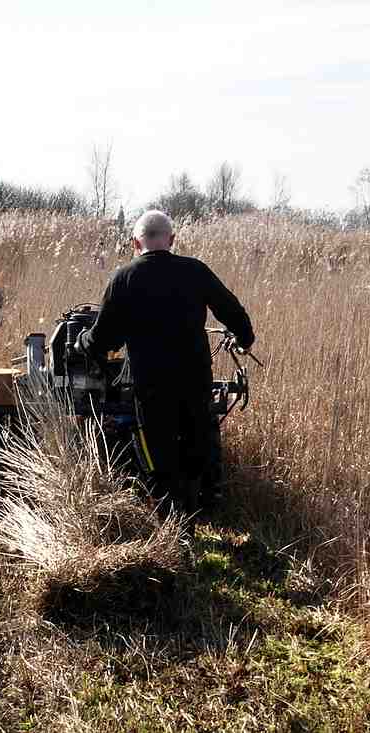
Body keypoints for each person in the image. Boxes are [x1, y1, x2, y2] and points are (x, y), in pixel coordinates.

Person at [73, 210, 255, 515]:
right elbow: (232, 310)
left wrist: (83, 343)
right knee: (196, 446)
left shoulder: (125, 277)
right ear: (171, 239)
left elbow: (104, 339)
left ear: (135, 243)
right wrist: (245, 339)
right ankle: (193, 513)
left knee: (159, 457)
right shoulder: (196, 271)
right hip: (195, 380)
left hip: (151, 385)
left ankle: (171, 521)